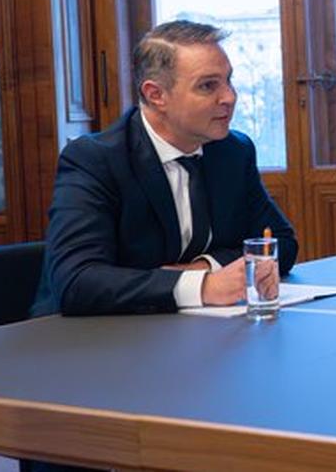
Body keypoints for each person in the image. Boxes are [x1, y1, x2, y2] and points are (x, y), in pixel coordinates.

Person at [31, 21, 297, 316]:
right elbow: (77, 281)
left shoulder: (232, 151)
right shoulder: (95, 159)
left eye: (228, 80)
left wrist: (202, 270)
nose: (230, 97)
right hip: (86, 344)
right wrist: (203, 287)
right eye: (208, 85)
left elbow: (280, 244)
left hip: (190, 335)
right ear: (156, 94)